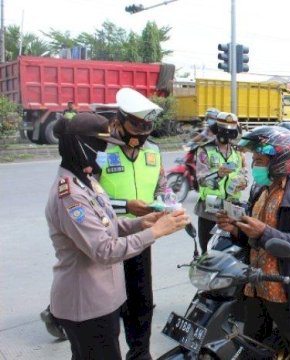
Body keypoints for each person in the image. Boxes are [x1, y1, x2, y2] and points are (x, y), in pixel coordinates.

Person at [44, 113, 188, 360]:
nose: (105, 153)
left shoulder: (86, 180)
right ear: (82, 145)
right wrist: (154, 232)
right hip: (86, 303)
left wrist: (140, 223)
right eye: (101, 146)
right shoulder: (70, 194)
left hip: (102, 299)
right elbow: (104, 250)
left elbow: (107, 223)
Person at [215, 126, 290, 359]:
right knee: (254, 347)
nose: (255, 166)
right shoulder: (261, 192)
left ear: (280, 162)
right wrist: (234, 229)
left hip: (287, 291)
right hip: (257, 287)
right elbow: (254, 239)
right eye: (255, 160)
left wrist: (264, 232)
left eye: (260, 160)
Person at [97, 87, 171, 360]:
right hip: (107, 237)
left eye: (147, 128)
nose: (140, 134)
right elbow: (90, 197)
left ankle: (140, 353)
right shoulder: (100, 149)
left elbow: (164, 189)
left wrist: (169, 208)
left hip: (142, 236)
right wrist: (125, 206)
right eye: (135, 126)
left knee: (141, 299)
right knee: (108, 303)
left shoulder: (153, 151)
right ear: (119, 121)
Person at [194, 112, 247, 253]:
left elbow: (243, 173)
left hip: (231, 209)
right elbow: (201, 179)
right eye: (225, 132)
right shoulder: (205, 150)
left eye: (231, 133)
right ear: (217, 131)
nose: (227, 137)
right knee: (207, 252)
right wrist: (218, 174)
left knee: (232, 251)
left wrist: (243, 182)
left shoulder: (237, 152)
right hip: (210, 210)